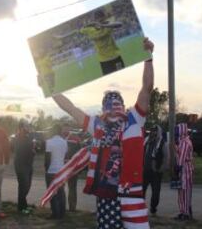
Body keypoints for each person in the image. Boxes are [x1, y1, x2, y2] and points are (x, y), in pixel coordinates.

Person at [49, 38, 154, 229]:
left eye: (117, 103)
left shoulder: (134, 119)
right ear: (104, 107)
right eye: (109, 104)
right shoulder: (98, 125)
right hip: (106, 194)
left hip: (131, 192)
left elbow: (146, 89)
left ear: (123, 105)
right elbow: (71, 109)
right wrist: (51, 90)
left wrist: (148, 58)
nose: (113, 108)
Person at [54, 9, 124, 75]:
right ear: (95, 19)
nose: (100, 20)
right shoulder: (89, 29)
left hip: (115, 57)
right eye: (97, 18)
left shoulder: (109, 25)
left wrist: (103, 25)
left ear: (104, 17)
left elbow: (119, 24)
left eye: (101, 18)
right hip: (104, 61)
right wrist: (62, 37)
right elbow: (75, 32)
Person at [143, 125, 168, 216]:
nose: (153, 132)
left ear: (159, 132)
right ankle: (141, 207)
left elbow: (166, 157)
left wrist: (162, 168)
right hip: (145, 170)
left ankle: (153, 208)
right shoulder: (146, 141)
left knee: (156, 192)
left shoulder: (162, 143)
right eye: (152, 131)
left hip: (156, 171)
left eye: (155, 131)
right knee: (142, 190)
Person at [11, 120, 36, 214]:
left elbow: (31, 150)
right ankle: (21, 208)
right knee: (23, 186)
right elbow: (21, 150)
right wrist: (31, 149)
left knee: (27, 186)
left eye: (28, 126)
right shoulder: (18, 137)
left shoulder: (28, 137)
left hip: (29, 164)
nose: (28, 127)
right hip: (21, 165)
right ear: (21, 128)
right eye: (26, 126)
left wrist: (33, 151)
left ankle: (23, 205)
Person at [45, 124, 68, 219]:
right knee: (61, 192)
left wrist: (46, 169)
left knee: (52, 193)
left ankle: (55, 213)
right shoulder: (64, 142)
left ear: (53, 131)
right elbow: (65, 156)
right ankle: (62, 212)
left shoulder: (49, 142)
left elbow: (47, 158)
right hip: (61, 170)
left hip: (51, 171)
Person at [174, 123, 194, 221]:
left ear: (182, 131)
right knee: (181, 191)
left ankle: (186, 213)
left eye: (177, 130)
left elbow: (182, 157)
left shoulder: (185, 142)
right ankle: (182, 212)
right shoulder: (181, 141)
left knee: (185, 191)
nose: (176, 132)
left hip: (185, 168)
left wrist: (177, 167)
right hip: (182, 168)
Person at [63, 124, 82, 212]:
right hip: (63, 167)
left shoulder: (74, 139)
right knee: (64, 187)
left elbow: (79, 153)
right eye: (65, 128)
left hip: (71, 167)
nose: (66, 130)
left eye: (67, 128)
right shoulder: (62, 138)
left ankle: (72, 208)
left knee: (72, 187)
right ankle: (63, 207)